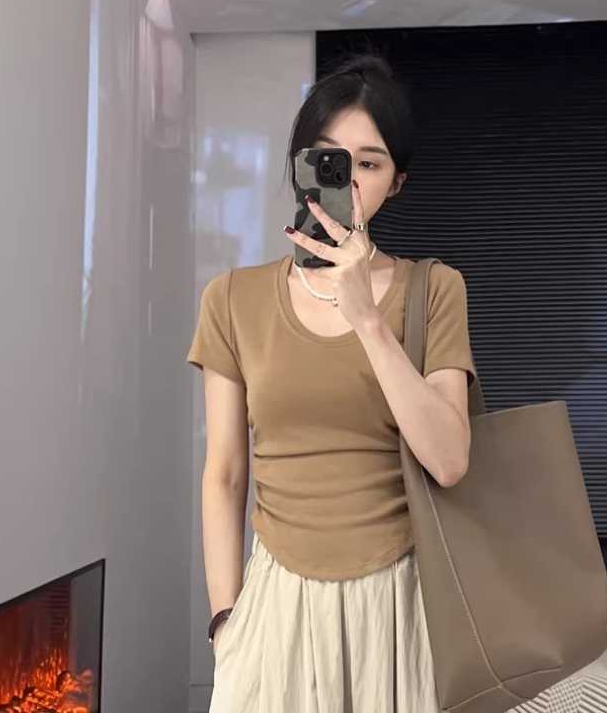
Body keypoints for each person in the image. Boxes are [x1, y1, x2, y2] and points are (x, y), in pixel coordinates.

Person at [186, 52, 476, 712]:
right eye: (327, 156)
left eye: (368, 163)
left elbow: (450, 460)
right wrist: (225, 623)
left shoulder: (435, 290)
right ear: (299, 165)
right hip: (275, 605)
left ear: (396, 183)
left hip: (401, 605)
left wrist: (368, 317)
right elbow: (224, 474)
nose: (344, 177)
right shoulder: (231, 299)